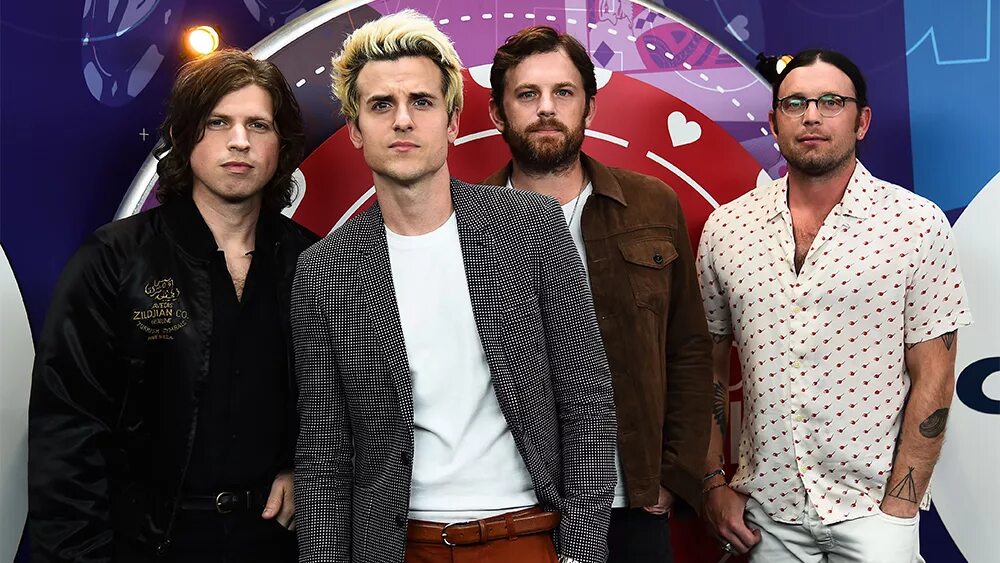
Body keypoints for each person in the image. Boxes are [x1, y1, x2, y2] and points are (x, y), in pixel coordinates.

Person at [291, 10, 616, 563]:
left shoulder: (531, 229)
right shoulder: (325, 270)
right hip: (398, 546)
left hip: (524, 536)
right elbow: (324, 454)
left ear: (452, 121)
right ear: (355, 129)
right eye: (381, 105)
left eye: (421, 101)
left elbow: (587, 402)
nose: (402, 121)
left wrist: (581, 553)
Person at [28, 49, 317, 562]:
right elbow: (67, 434)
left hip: (278, 544)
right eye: (218, 122)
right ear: (184, 137)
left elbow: (344, 407)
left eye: (258, 125)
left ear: (281, 145)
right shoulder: (115, 258)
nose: (240, 141)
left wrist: (306, 469)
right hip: (148, 545)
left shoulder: (313, 262)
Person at [697, 48, 972, 562]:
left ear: (861, 120)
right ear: (774, 122)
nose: (812, 116)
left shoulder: (916, 224)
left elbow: (935, 375)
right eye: (795, 103)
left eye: (831, 102)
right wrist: (713, 482)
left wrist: (899, 508)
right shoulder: (727, 229)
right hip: (767, 515)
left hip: (875, 514)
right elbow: (706, 365)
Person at [480, 26, 713, 563]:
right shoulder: (469, 225)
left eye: (563, 92)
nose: (546, 108)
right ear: (497, 113)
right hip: (515, 505)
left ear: (589, 107)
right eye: (527, 94)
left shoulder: (652, 204)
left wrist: (672, 476)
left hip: (632, 500)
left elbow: (689, 348)